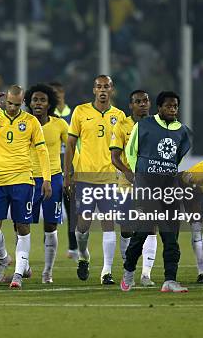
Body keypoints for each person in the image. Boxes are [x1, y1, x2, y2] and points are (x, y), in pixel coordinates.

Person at [0, 85, 52, 289]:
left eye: (17, 104)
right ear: (4, 100)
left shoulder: (30, 121)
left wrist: (46, 178)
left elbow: (42, 151)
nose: (12, 107)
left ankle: (19, 273)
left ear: (22, 103)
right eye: (9, 103)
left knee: (22, 226)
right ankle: (4, 258)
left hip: (23, 180)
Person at [120, 91, 191, 293]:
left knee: (170, 237)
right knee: (141, 233)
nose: (172, 109)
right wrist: (140, 175)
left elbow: (176, 157)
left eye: (175, 106)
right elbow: (131, 152)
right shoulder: (143, 126)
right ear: (159, 108)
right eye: (168, 106)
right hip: (146, 187)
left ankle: (170, 280)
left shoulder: (183, 131)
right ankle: (129, 271)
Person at [63, 75, 126, 285]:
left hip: (109, 178)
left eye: (106, 86)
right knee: (83, 225)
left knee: (108, 223)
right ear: (93, 90)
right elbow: (70, 145)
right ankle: (83, 256)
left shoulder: (119, 115)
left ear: (111, 90)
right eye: (99, 86)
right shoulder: (81, 112)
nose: (102, 90)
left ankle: (106, 272)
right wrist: (67, 174)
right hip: (85, 178)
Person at [109, 90, 157, 287]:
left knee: (151, 227)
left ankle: (146, 274)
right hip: (126, 186)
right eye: (138, 101)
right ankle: (129, 267)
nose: (143, 104)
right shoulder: (121, 125)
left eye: (145, 100)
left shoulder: (157, 125)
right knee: (127, 229)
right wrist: (127, 172)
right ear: (131, 106)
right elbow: (114, 157)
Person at [24, 84, 69, 283]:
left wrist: (71, 174)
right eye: (35, 100)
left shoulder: (59, 124)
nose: (38, 103)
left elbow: (73, 148)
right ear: (29, 102)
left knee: (50, 225)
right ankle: (22, 266)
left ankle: (47, 272)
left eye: (42, 100)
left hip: (54, 177)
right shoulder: (23, 123)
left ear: (49, 103)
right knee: (22, 224)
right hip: (27, 178)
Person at [48, 80, 76, 260]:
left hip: (69, 169)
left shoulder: (73, 115)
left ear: (63, 94)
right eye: (53, 93)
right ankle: (47, 246)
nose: (57, 95)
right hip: (50, 170)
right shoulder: (45, 117)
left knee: (72, 209)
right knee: (49, 209)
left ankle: (73, 247)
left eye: (59, 92)